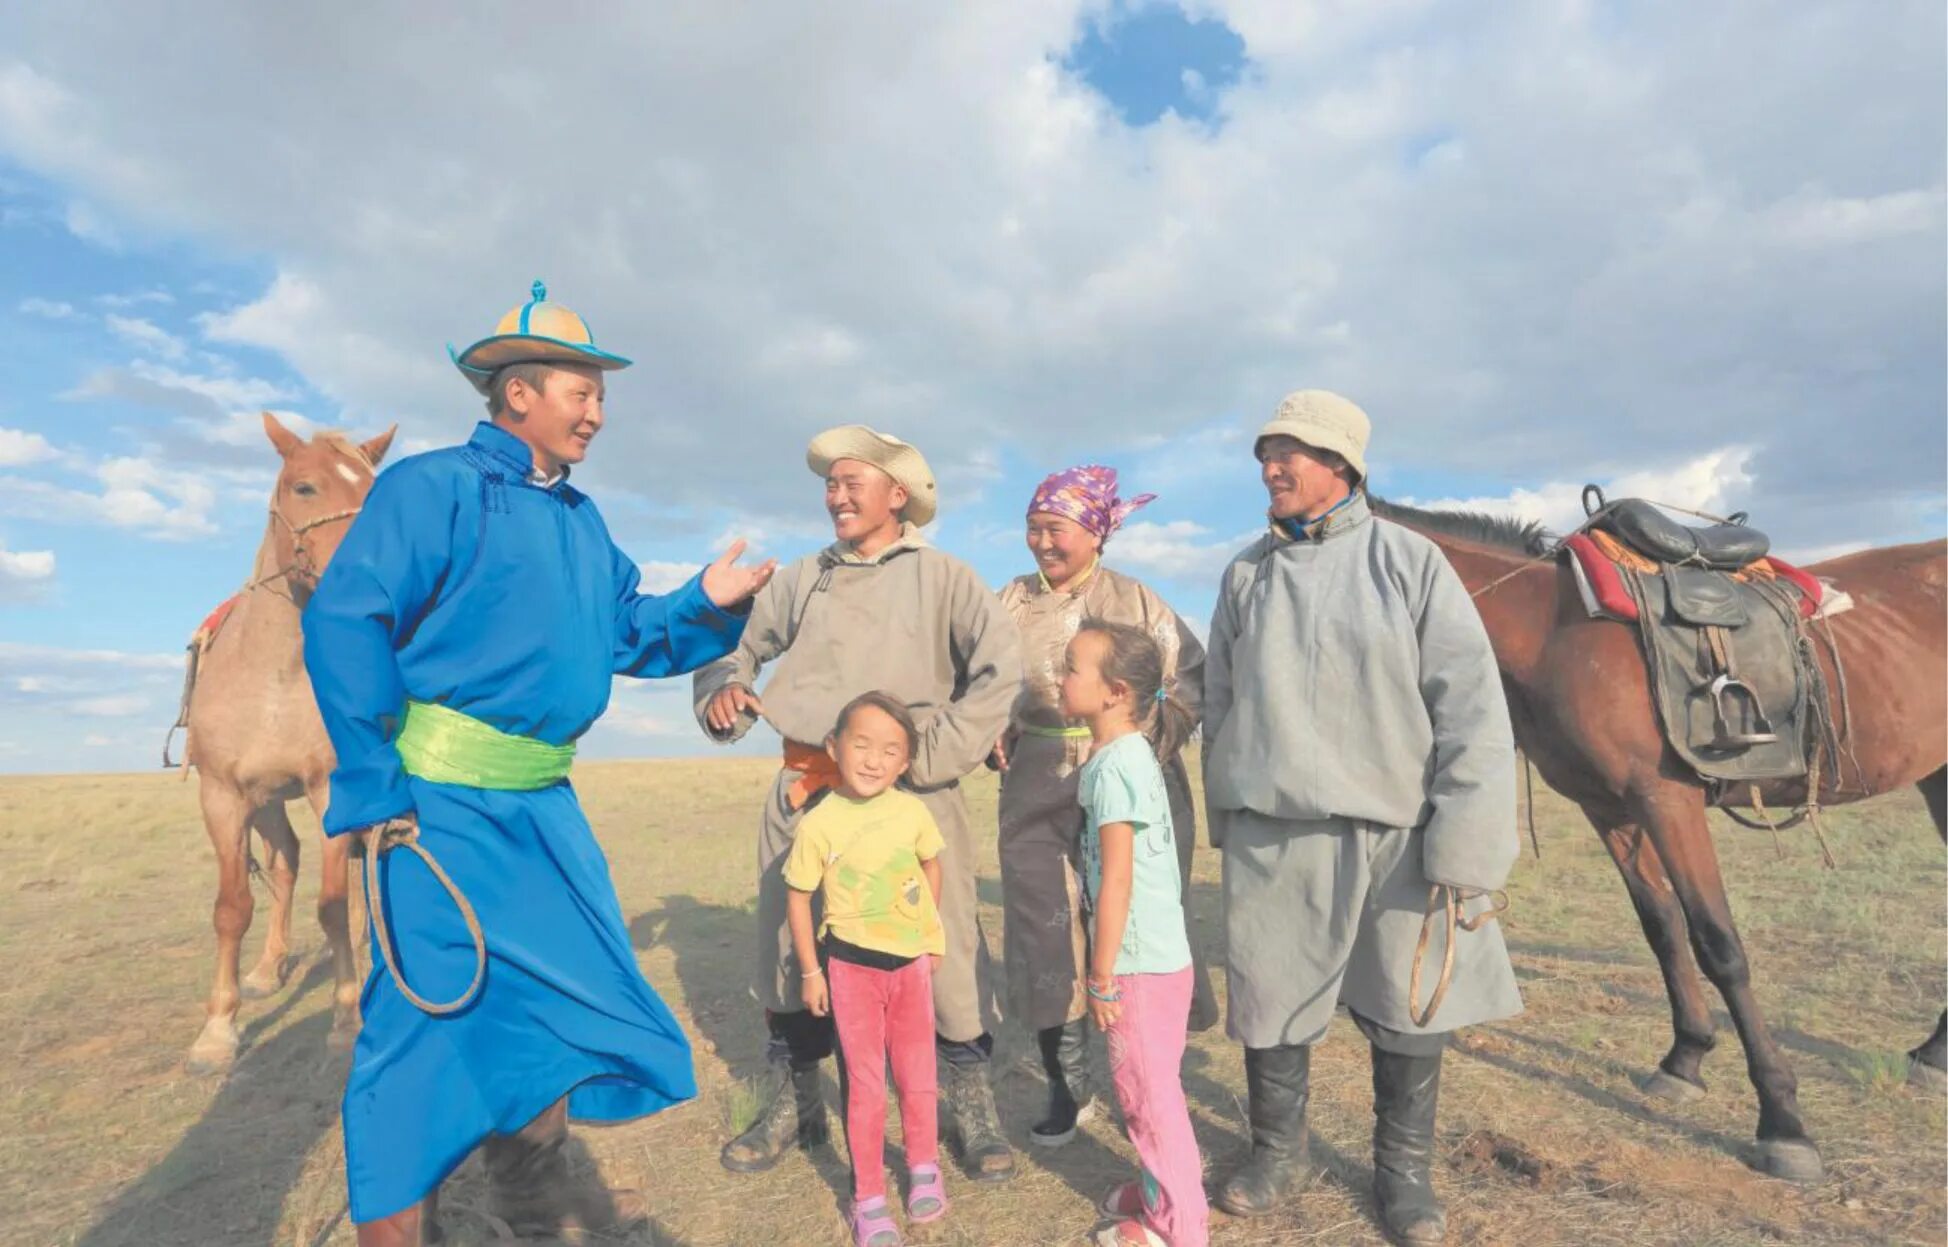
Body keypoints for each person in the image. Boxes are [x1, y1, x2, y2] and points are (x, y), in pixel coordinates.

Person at [302, 281, 776, 1246]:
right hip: (436, 808)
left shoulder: (581, 521)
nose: (598, 411)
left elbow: (633, 634)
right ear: (517, 392)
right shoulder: (431, 488)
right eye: (581, 390)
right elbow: (346, 617)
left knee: (561, 1007)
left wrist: (706, 601)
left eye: (602, 395)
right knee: (423, 1029)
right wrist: (372, 782)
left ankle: (535, 1205)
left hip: (543, 811)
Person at [1202, 390, 1521, 1243]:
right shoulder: (1244, 573)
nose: (1271, 466)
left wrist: (1466, 842)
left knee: (1410, 1007)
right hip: (1277, 827)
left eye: (1290, 452)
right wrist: (1228, 806)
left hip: (1399, 831)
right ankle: (1277, 1149)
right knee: (1268, 995)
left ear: (1340, 467)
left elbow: (1473, 711)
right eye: (1266, 450)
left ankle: (1403, 1174)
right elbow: (1221, 697)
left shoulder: (1410, 563)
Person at [694, 425, 1024, 1183]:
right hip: (809, 789)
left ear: (895, 494)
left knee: (942, 947)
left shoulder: (944, 577)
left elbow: (1001, 667)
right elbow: (732, 643)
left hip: (914, 797)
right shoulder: (803, 577)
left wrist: (933, 756)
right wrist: (726, 690)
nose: (835, 496)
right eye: (830, 483)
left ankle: (966, 1108)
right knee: (789, 942)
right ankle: (796, 1102)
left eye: (851, 483)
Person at [993, 466, 1216, 1151]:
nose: (1041, 541)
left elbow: (1190, 683)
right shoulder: (1005, 603)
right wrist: (990, 728)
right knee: (1045, 929)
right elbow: (976, 681)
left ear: (1094, 532)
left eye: (1055, 528)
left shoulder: (1136, 602)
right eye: (1033, 527)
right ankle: (1067, 1082)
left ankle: (1143, 1073)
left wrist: (1127, 746)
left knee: (1133, 924)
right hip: (1036, 781)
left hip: (1130, 776)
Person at [1060, 620, 1209, 1247]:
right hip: (1155, 960)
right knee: (1149, 1090)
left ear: (1115, 691)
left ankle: (1178, 1228)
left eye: (1072, 667)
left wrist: (1100, 976)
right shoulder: (1121, 754)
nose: (1059, 676)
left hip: (1138, 966)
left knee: (1151, 1102)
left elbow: (1115, 879)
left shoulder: (1117, 765)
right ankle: (1158, 1187)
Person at [784, 692, 951, 1247]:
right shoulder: (820, 823)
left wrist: (925, 933)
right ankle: (869, 1196)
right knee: (864, 1085)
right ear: (834, 746)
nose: (874, 760)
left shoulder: (911, 811)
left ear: (905, 762)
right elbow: (798, 896)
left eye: (890, 751)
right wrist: (812, 972)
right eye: (861, 745)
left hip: (910, 969)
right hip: (850, 970)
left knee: (918, 1076)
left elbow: (931, 864)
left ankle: (924, 1165)